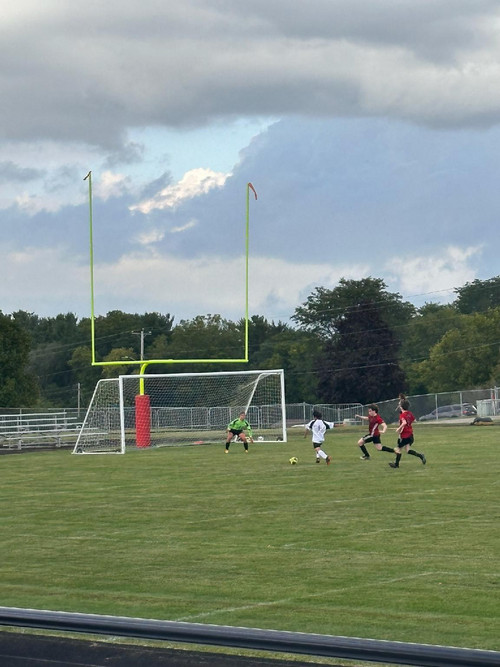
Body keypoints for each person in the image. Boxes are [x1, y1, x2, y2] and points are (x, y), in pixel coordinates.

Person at [389, 399, 426, 468]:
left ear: (401, 407)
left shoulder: (402, 415)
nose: (399, 406)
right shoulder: (409, 413)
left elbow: (404, 423)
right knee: (407, 450)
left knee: (398, 449)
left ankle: (396, 465)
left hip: (405, 436)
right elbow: (414, 420)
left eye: (399, 405)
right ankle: (421, 455)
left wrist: (399, 428)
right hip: (410, 435)